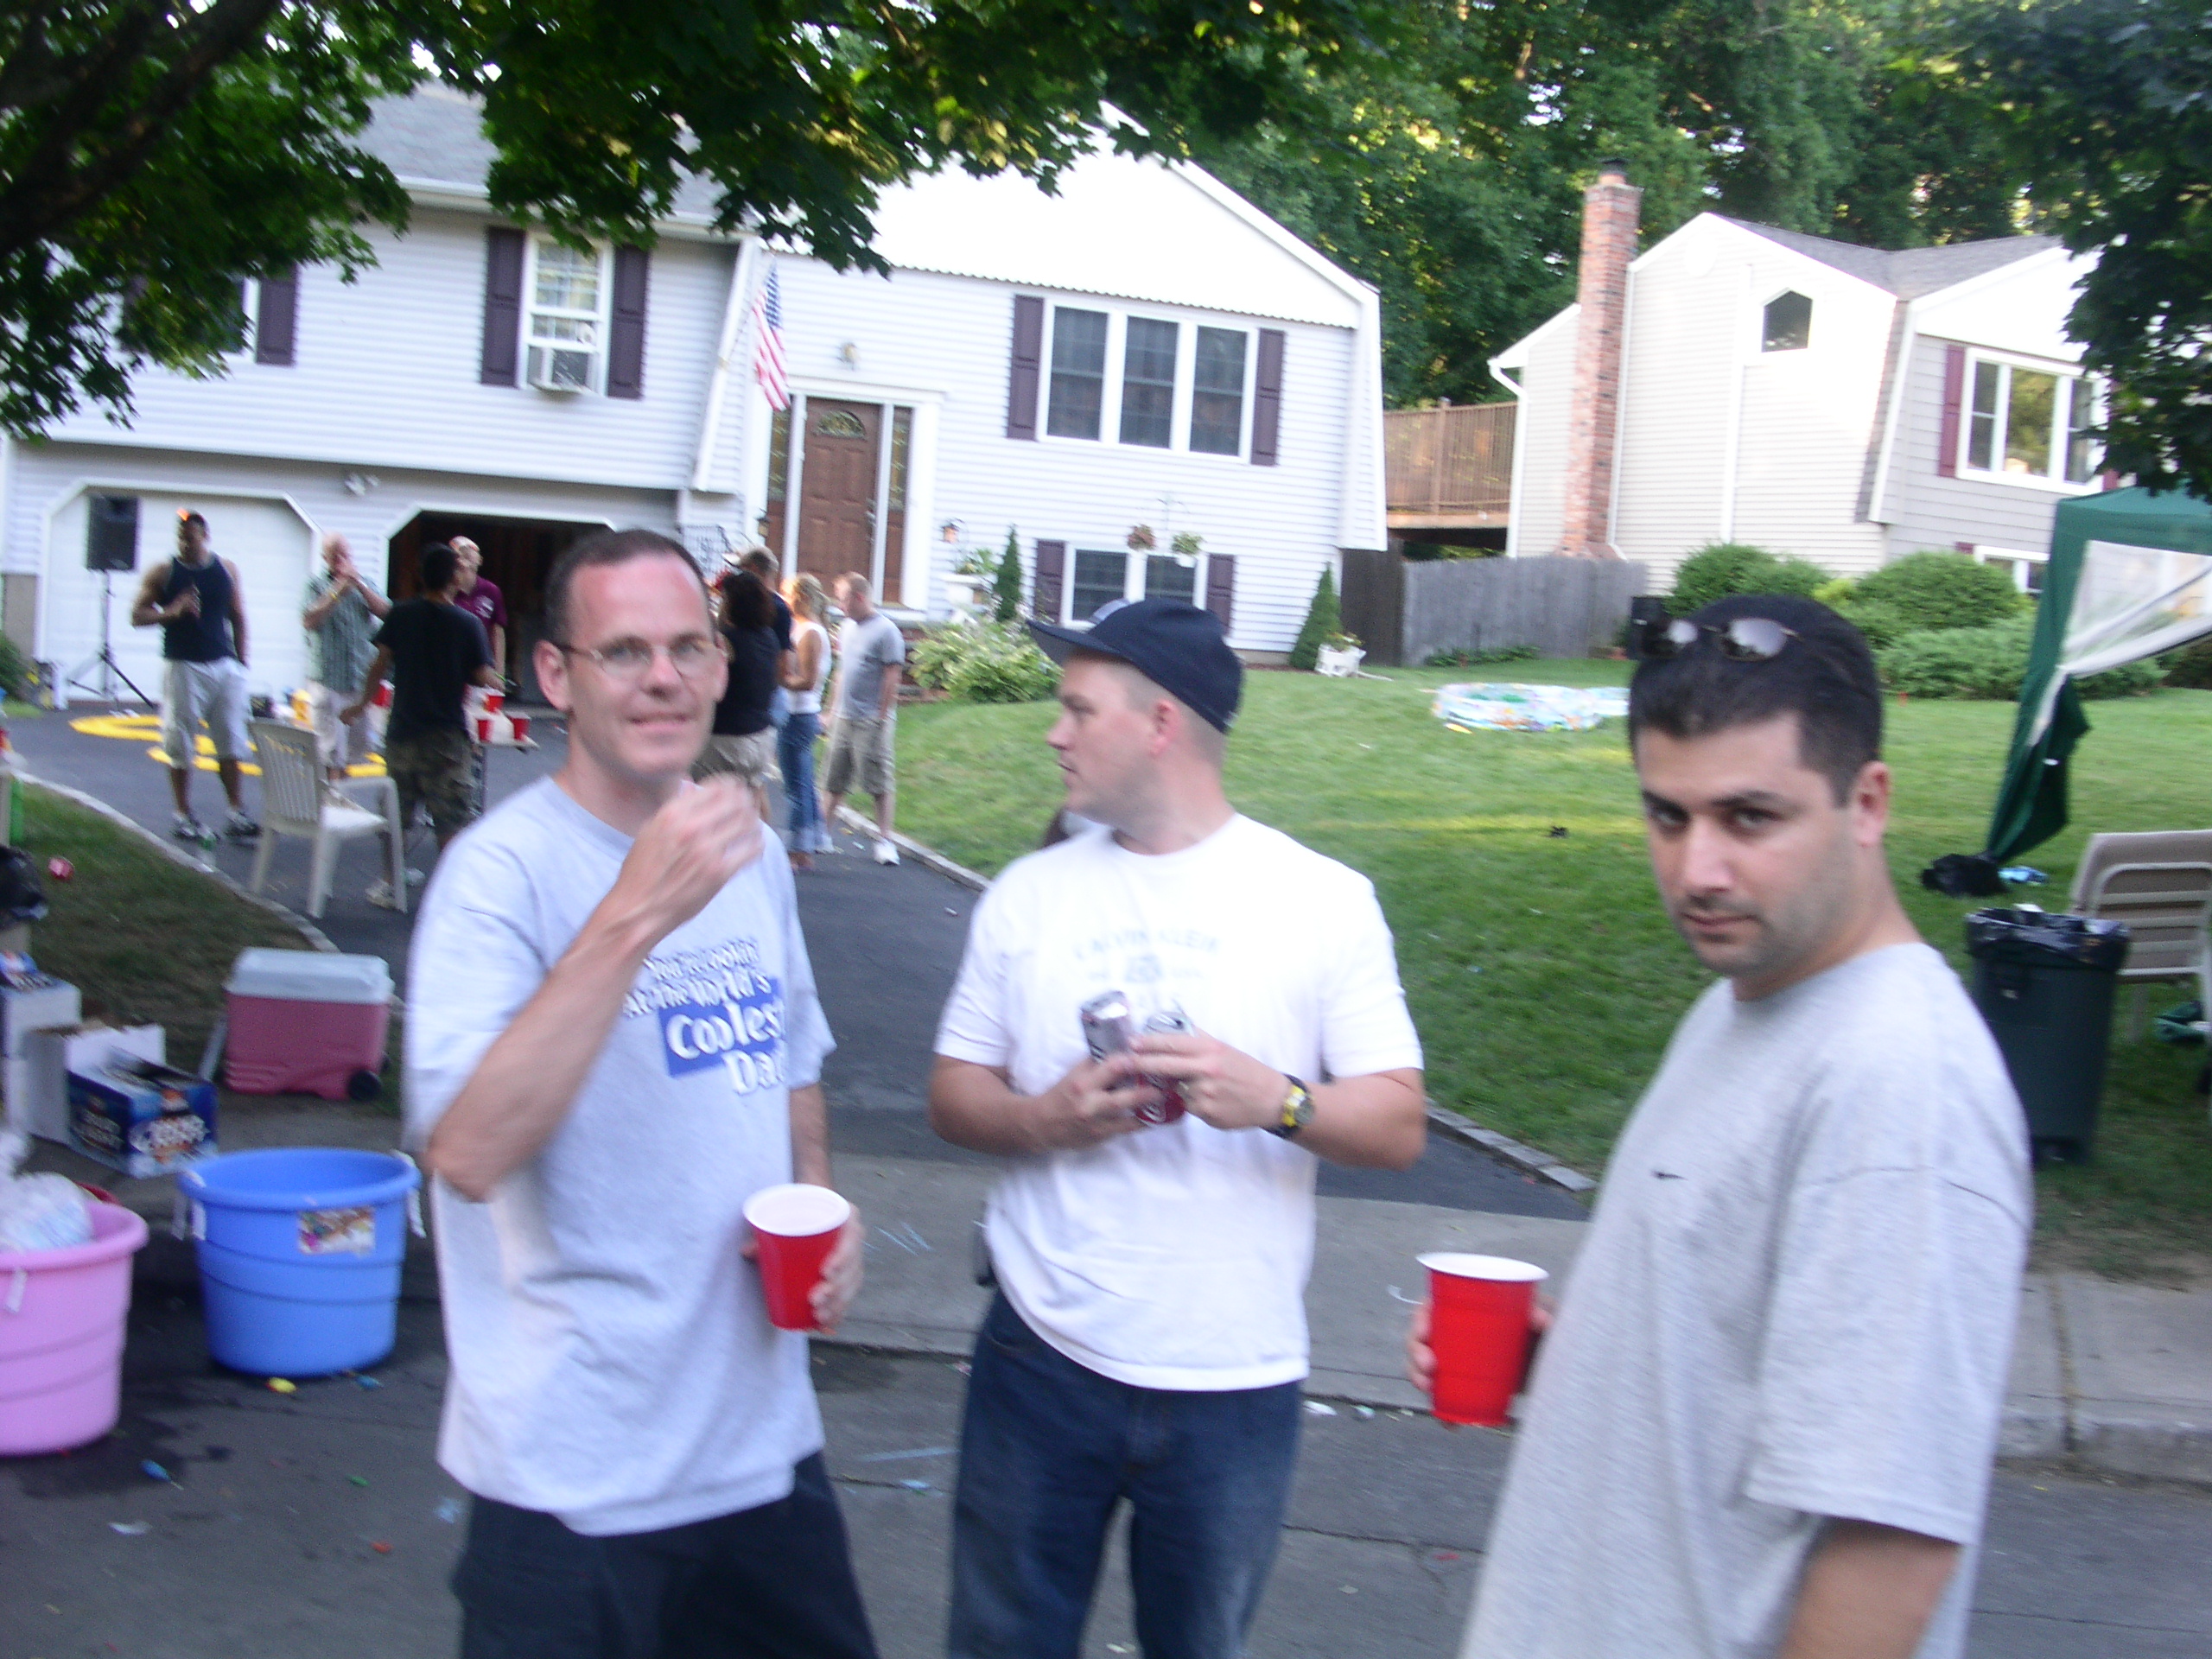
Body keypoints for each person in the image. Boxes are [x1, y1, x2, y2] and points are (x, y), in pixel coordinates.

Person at [1411, 594, 2031, 1659]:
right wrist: (1583, 1367)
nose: (1697, 870)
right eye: (1668, 816)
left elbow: (1888, 1550)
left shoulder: (1899, 1088)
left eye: (1749, 818)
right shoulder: (1746, 1002)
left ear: (1867, 802)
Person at [404, 526, 876, 1659]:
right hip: (573, 1482)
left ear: (720, 666)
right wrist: (635, 914)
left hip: (761, 1455)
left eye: (686, 647)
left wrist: (819, 1204)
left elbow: (790, 1058)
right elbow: (466, 1153)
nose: (663, 677)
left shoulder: (743, 852)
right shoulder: (497, 875)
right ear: (557, 674)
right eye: (623, 652)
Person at [930, 597, 1427, 1659]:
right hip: (1041, 1358)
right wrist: (1042, 1120)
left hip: (1231, 1384)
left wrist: (1279, 1102)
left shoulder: (1322, 901)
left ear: (1159, 723)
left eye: (1078, 710)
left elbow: (1396, 1122)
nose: (1054, 733)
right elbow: (952, 1092)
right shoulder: (1027, 895)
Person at [345, 543, 499, 893]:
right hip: (446, 737)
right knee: (451, 818)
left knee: (397, 814)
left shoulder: (401, 614)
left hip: (402, 731)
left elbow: (379, 665)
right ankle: (450, 892)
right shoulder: (468, 623)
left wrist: (360, 705)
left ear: (422, 575)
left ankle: (390, 883)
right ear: (453, 577)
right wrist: (496, 679)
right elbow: (480, 676)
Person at [130, 509, 258, 842]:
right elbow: (137, 615)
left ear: (205, 536)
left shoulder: (226, 569)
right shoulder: (164, 572)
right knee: (181, 741)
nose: (186, 544)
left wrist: (241, 662)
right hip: (183, 665)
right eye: (181, 538)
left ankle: (237, 812)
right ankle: (182, 814)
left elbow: (238, 615)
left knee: (231, 740)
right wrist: (171, 612)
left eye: (191, 538)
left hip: (224, 665)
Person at [820, 573, 906, 865]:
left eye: (842, 599)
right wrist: (831, 711)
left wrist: (881, 717)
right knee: (833, 778)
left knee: (878, 781)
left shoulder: (886, 631)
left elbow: (892, 676)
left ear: (858, 597)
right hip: (844, 717)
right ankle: (822, 834)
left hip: (871, 719)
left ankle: (885, 842)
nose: (839, 605)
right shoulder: (846, 628)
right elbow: (841, 672)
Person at [301, 533, 391, 782]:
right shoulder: (315, 586)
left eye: (345, 555)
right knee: (331, 751)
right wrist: (337, 590)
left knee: (355, 748)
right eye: (335, 556)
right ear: (325, 558)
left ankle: (341, 795)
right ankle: (332, 797)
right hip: (328, 680)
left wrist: (358, 585)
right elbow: (308, 619)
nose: (342, 561)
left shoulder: (365, 584)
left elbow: (387, 613)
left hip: (359, 679)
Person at [693, 569, 781, 816]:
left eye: (724, 599)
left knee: (706, 806)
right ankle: (764, 840)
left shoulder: (727, 642)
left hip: (725, 740)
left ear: (732, 604)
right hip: (761, 737)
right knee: (755, 800)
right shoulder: (769, 638)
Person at [779, 574, 834, 870]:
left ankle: (799, 849)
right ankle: (811, 840)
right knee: (803, 782)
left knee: (796, 785)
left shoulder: (810, 632)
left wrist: (779, 680)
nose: (785, 600)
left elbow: (807, 681)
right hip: (797, 713)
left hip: (799, 714)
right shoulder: (800, 628)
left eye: (788, 594)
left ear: (802, 598)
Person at [451, 537, 507, 683]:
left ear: (480, 560)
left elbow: (497, 633)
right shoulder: (447, 591)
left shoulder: (491, 591)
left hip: (483, 667)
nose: (466, 554)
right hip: (451, 666)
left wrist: (499, 674)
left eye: (471, 550)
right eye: (459, 552)